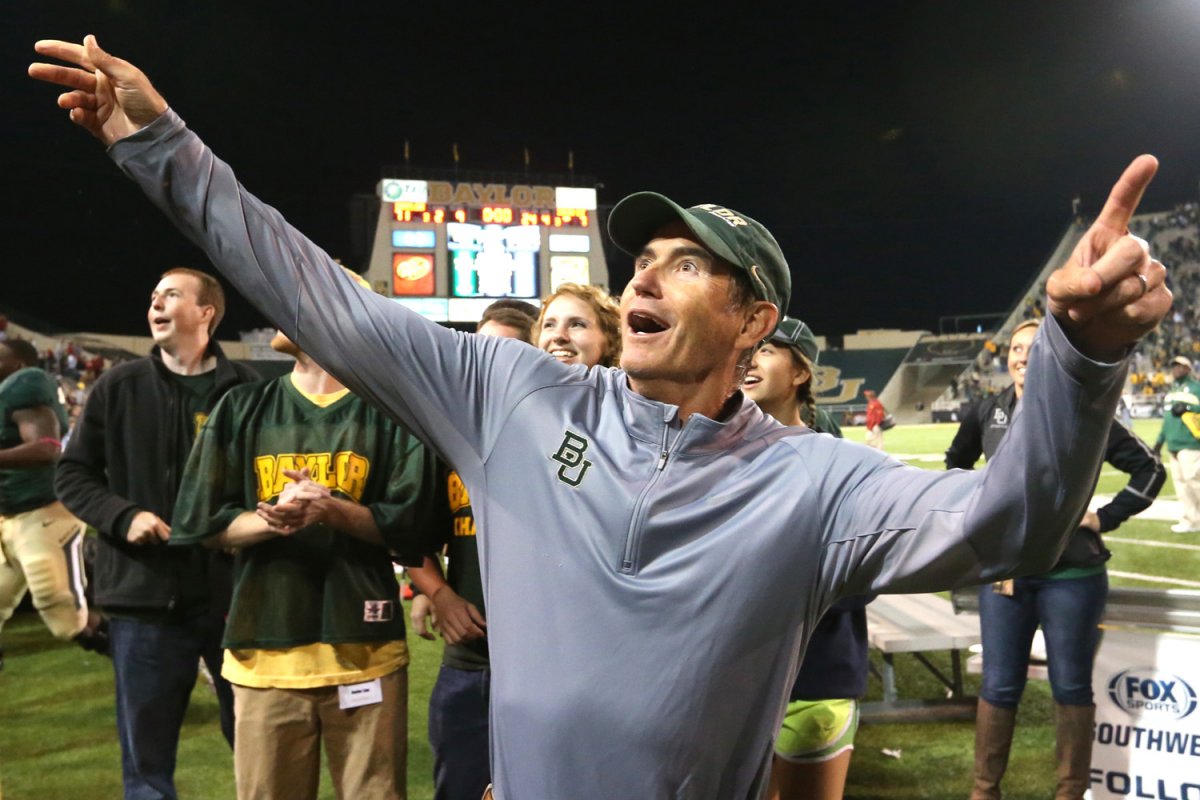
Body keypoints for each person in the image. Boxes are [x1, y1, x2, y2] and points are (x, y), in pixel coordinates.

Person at [30, 37, 1169, 799]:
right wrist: (163, 146)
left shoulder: (817, 481)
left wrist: (1082, 352)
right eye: (643, 257)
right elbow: (323, 293)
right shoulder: (513, 393)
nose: (644, 278)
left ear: (754, 318)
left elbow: (1011, 524)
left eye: (686, 265)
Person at [170, 278, 433, 800]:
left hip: (365, 650)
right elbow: (200, 522)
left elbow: (409, 524)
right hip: (263, 654)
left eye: (302, 299)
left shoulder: (391, 413)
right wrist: (274, 519)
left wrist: (331, 509)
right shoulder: (241, 407)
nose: (282, 309)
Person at [54, 266, 258, 799]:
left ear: (206, 312)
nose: (155, 305)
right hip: (143, 600)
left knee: (260, 745)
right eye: (153, 297)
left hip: (234, 599)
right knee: (146, 763)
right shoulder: (117, 386)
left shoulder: (249, 391)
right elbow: (72, 474)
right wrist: (125, 516)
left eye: (170, 295)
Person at [409, 289, 620, 800]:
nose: (561, 336)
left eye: (578, 324)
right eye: (551, 324)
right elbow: (411, 530)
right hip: (477, 657)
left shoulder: (626, 427)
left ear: (609, 340)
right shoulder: (464, 427)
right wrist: (435, 592)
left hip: (577, 663)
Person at [945, 319, 1165, 800]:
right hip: (1004, 575)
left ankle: (1070, 793)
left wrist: (1104, 517)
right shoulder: (987, 411)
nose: (1023, 355)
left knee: (1070, 687)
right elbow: (954, 468)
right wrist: (975, 514)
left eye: (1034, 347)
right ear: (1008, 359)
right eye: (1016, 348)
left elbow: (1150, 470)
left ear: (1049, 356)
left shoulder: (1087, 412)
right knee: (1000, 688)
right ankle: (984, 792)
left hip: (1073, 575)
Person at [743, 318, 869, 800]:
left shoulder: (838, 463)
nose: (751, 360)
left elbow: (863, 576)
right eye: (747, 350)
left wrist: (777, 590)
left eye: (768, 351)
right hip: (737, 680)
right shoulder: (714, 455)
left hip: (815, 675)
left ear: (801, 373)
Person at [0, 338, 106, 668]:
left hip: (42, 509)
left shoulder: (25, 382)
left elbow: (47, 446)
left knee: (59, 605)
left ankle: (138, 656)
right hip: (8, 515)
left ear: (17, 364)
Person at [1153, 355, 1200, 532]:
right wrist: (1158, 443)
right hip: (1173, 445)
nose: (1176, 369)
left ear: (1188, 369)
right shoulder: (1171, 392)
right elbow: (1166, 421)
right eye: (1174, 366)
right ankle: (1192, 521)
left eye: (1180, 366)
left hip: (1190, 443)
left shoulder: (1196, 388)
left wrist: (1189, 408)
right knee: (1181, 486)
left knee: (1195, 482)